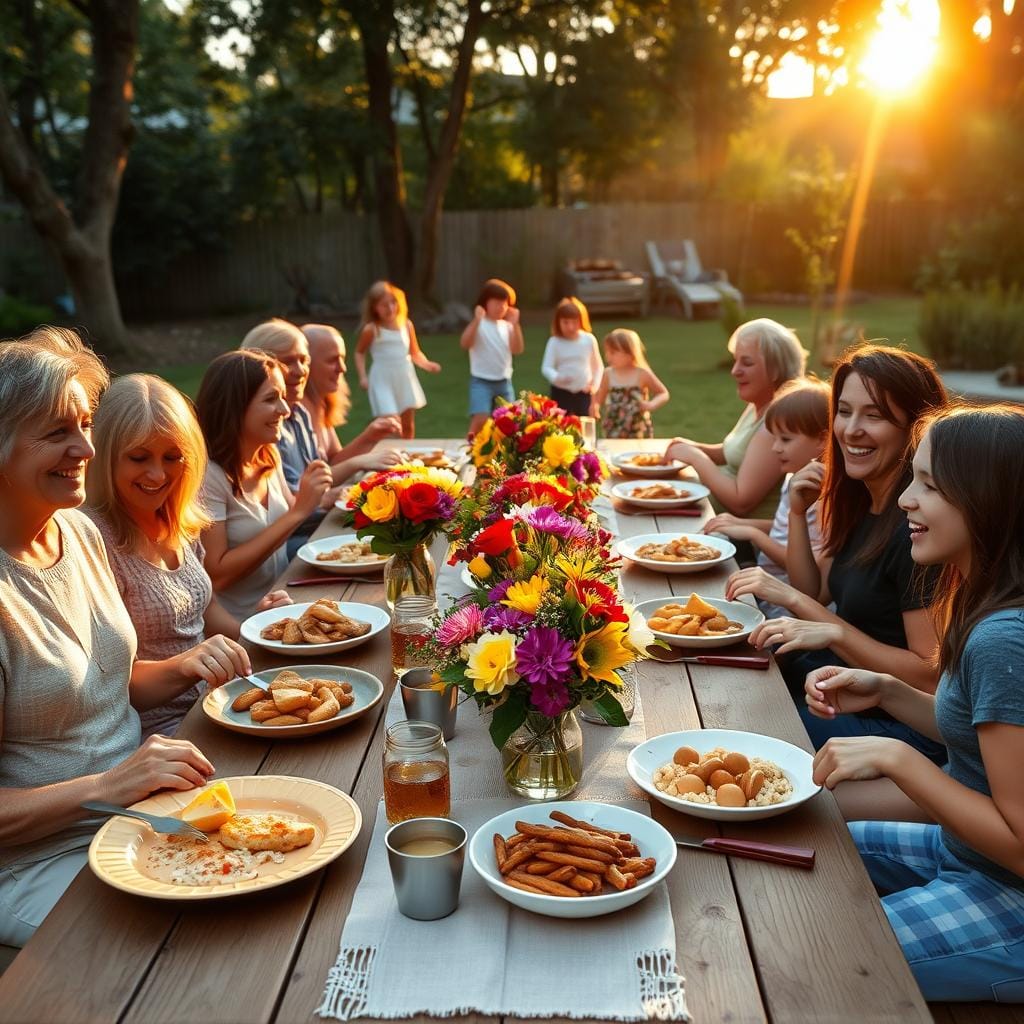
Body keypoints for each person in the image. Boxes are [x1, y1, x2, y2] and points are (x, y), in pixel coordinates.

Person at [0, 328, 237, 948]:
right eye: (57, 432)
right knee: (196, 942)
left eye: (85, 425)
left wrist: (188, 665)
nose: (85, 447)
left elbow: (106, 683)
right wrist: (110, 785)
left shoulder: (77, 533)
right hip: (39, 860)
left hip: (135, 813)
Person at [805, 404, 1024, 1002]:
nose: (904, 499)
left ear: (988, 502)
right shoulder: (982, 601)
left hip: (1010, 897)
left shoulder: (1006, 637)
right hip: (966, 854)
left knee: (812, 955)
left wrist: (904, 762)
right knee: (794, 838)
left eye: (928, 484)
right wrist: (889, 691)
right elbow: (986, 742)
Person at [729, 345, 948, 771]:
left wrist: (827, 629)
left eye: (875, 415)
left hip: (897, 727)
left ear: (917, 428)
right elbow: (816, 588)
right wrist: (797, 512)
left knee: (741, 725)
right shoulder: (864, 501)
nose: (850, 429)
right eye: (844, 411)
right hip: (838, 688)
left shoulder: (918, 529)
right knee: (732, 691)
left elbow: (928, 674)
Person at [85, 374, 291, 738]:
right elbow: (109, 688)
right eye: (138, 457)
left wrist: (257, 626)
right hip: (159, 735)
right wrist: (187, 665)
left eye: (172, 456)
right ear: (104, 456)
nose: (157, 474)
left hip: (216, 705)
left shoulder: (176, 517)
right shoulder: (94, 539)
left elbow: (204, 613)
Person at [195, 350, 331, 620]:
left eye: (282, 396)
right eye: (271, 399)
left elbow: (280, 526)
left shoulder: (268, 454)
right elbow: (218, 574)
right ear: (235, 407)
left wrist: (308, 495)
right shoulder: (209, 476)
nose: (285, 409)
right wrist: (299, 511)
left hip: (284, 602)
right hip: (239, 627)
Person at [704, 378, 829, 619]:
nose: (775, 448)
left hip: (787, 608)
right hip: (766, 586)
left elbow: (802, 562)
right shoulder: (795, 476)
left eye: (786, 439)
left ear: (823, 440)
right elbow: (788, 527)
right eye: (774, 438)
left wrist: (755, 536)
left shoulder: (820, 494)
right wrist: (742, 524)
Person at [661, 318, 806, 516]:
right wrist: (697, 447)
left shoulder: (778, 423)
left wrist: (696, 457)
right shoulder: (758, 404)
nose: (734, 371)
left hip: (742, 539)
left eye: (746, 362)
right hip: (708, 514)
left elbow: (740, 501)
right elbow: (736, 452)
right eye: (735, 360)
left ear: (775, 369)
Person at [300, 323, 403, 482]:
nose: (342, 368)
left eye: (342, 359)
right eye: (332, 360)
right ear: (306, 364)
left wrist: (370, 437)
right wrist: (359, 462)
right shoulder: (293, 413)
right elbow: (306, 485)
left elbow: (333, 462)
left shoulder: (320, 402)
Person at [355, 281, 440, 440]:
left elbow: (415, 353)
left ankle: (408, 458)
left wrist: (427, 365)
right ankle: (387, 457)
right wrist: (363, 377)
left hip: (404, 377)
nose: (390, 308)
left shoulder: (406, 325)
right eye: (384, 304)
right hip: (382, 379)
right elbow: (359, 353)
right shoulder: (372, 329)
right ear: (374, 307)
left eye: (393, 303)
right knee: (391, 423)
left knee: (407, 425)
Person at [460, 278, 525, 437]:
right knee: (480, 417)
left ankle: (499, 453)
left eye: (504, 303)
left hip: (503, 381)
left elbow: (517, 349)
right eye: (496, 303)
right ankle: (471, 446)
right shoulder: (480, 325)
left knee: (507, 420)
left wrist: (515, 325)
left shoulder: (507, 327)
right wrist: (476, 320)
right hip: (481, 381)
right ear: (485, 303)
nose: (501, 307)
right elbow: (465, 343)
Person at [592, 328, 669, 438]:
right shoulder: (608, 374)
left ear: (630, 353)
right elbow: (601, 395)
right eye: (607, 352)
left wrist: (651, 404)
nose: (608, 356)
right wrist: (595, 405)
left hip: (637, 427)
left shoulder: (642, 373)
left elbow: (663, 393)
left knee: (638, 454)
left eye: (613, 352)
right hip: (614, 427)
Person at [540, 297, 603, 417]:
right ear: (558, 322)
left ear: (581, 321)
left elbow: (598, 366)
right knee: (561, 427)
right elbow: (546, 367)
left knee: (584, 425)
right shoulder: (555, 342)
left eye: (575, 322)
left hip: (583, 392)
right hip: (561, 392)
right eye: (565, 322)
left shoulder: (588, 339)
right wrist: (557, 377)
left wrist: (594, 385)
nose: (570, 327)